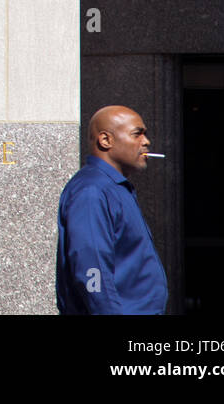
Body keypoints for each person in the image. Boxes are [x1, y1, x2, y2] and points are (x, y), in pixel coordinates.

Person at [55, 105, 168, 314]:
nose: (146, 142)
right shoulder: (92, 192)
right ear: (105, 140)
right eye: (137, 134)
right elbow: (91, 269)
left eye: (145, 134)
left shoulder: (114, 189)